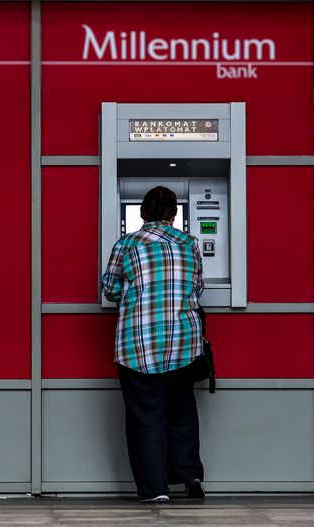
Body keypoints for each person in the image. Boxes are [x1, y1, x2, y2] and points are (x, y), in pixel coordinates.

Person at [101, 186, 207, 503]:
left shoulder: (126, 244)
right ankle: (190, 476)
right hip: (183, 342)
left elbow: (110, 289)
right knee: (182, 411)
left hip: (139, 344)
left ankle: (155, 489)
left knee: (145, 416)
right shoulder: (190, 243)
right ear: (174, 213)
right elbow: (198, 288)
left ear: (142, 213)